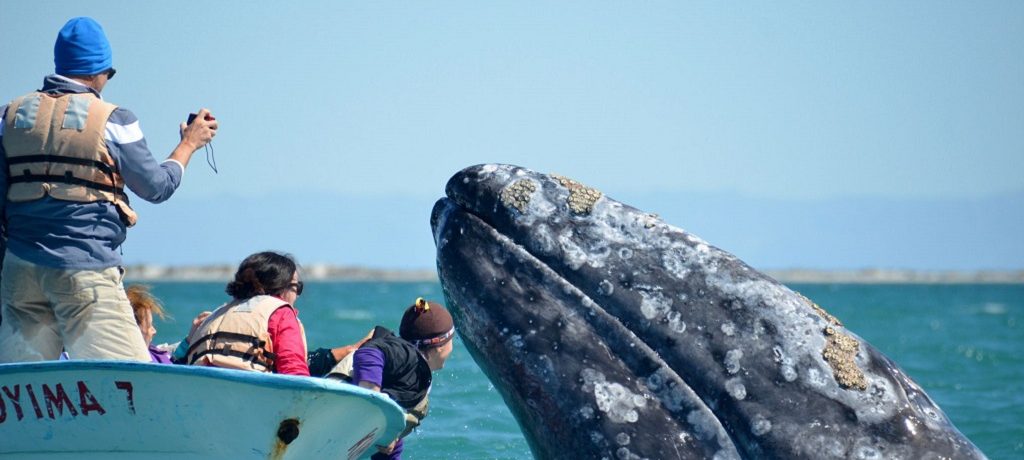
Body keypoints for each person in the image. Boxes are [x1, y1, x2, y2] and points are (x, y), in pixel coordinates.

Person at [0, 17, 217, 362]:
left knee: (23, 389)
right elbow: (157, 187)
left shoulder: (8, 117)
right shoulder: (114, 120)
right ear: (101, 72)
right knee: (131, 378)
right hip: (85, 268)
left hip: (20, 269)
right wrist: (188, 144)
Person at [327, 298, 456, 460]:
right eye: (453, 340)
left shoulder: (413, 376)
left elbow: (393, 437)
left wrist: (386, 435)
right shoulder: (407, 355)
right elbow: (369, 353)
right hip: (328, 417)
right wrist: (373, 405)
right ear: (440, 346)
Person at [185, 251, 310, 376]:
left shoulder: (211, 318)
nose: (297, 295)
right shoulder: (281, 313)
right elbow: (294, 371)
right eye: (297, 287)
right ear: (281, 286)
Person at [125, 284, 173, 364]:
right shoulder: (145, 363)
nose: (154, 331)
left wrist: (188, 341)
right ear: (134, 330)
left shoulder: (152, 351)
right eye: (149, 326)